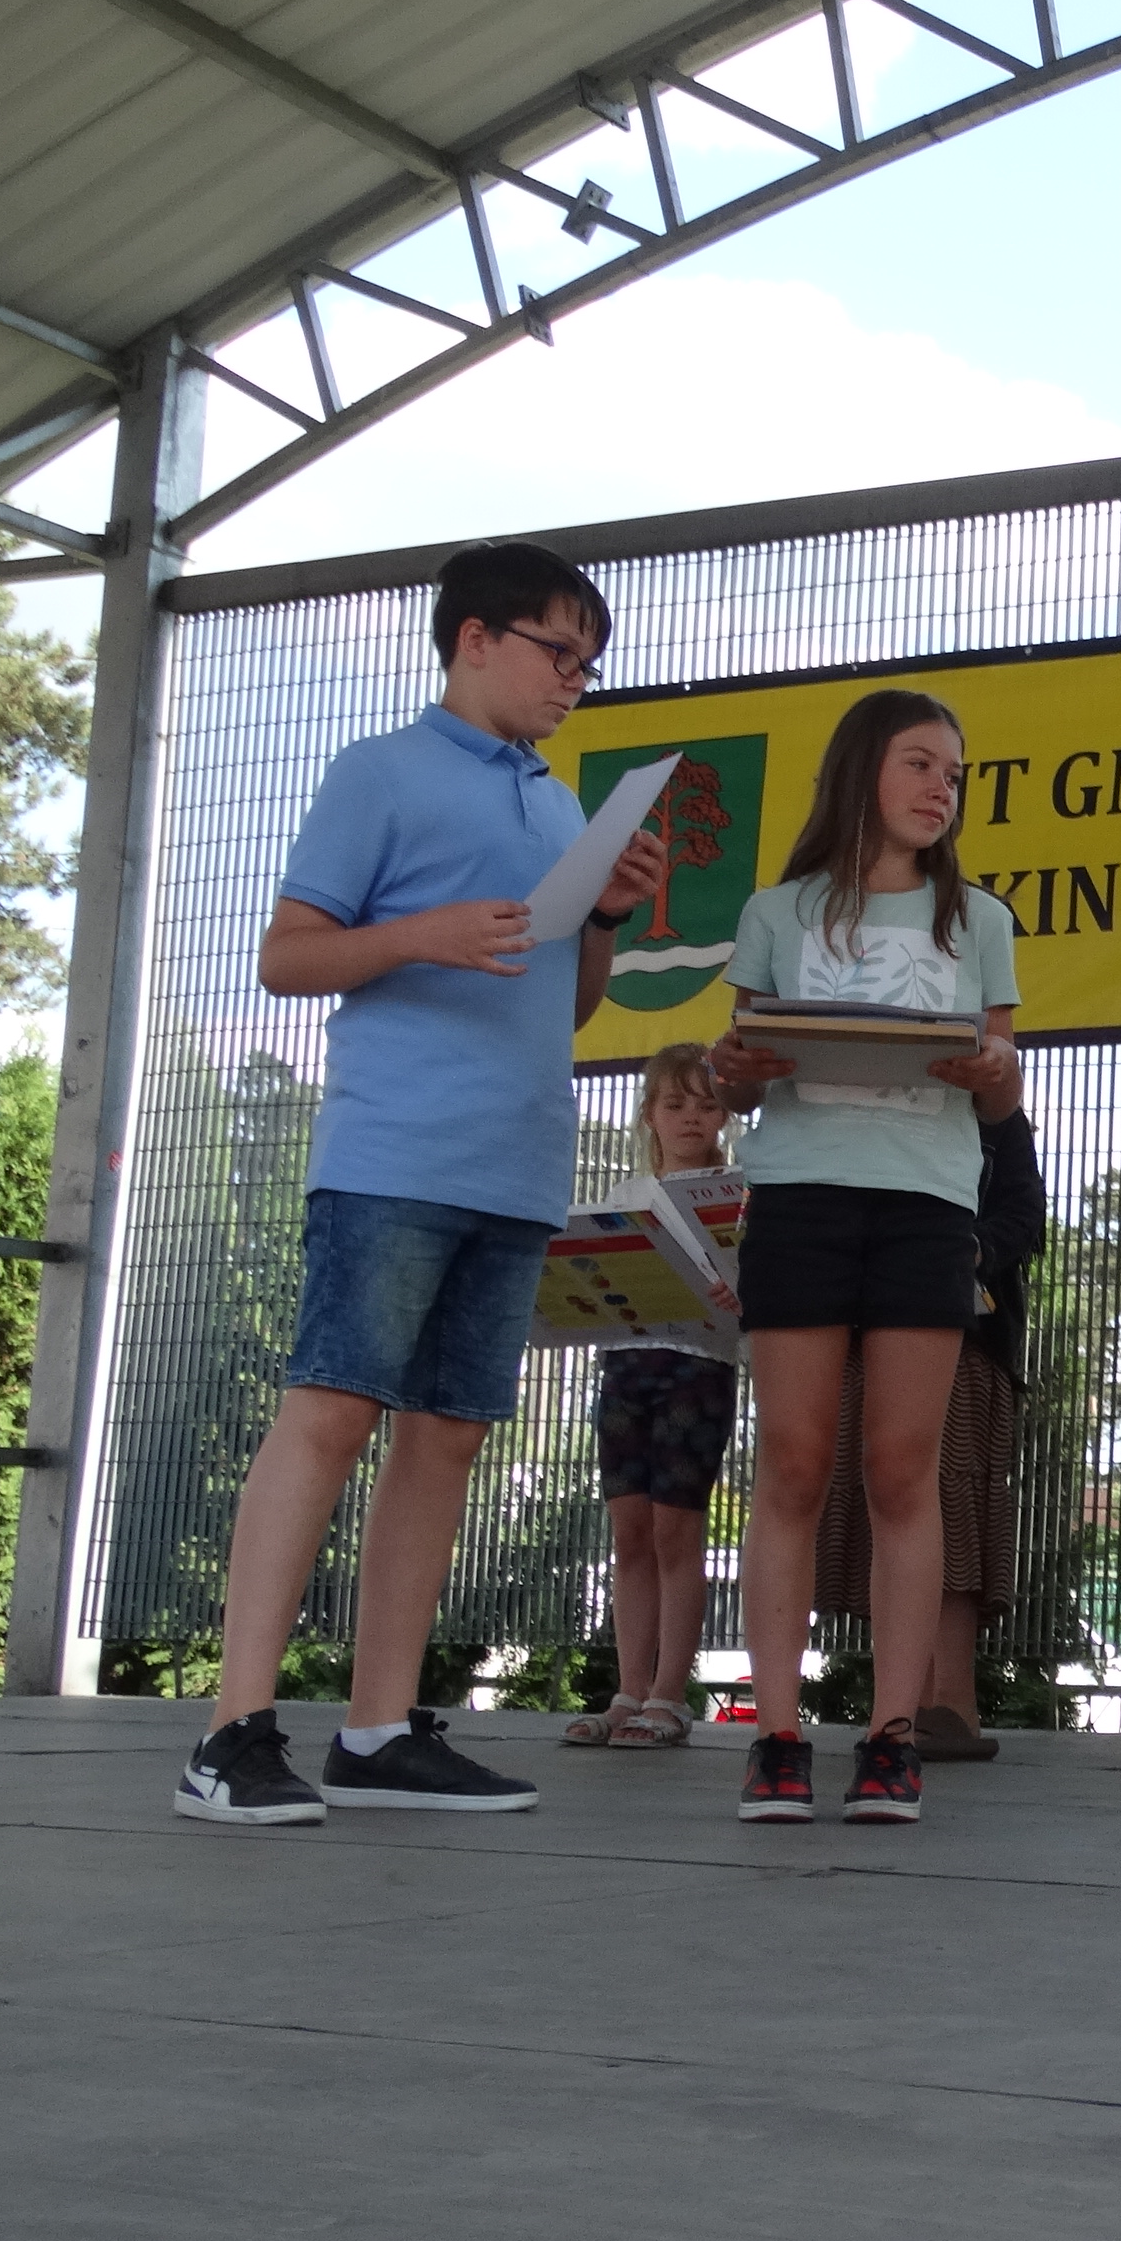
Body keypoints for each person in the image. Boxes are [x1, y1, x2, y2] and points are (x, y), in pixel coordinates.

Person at [174, 540, 664, 1825]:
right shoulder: (377, 770)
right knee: (331, 1414)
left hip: (516, 1163)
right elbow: (287, 957)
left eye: (589, 664)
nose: (574, 680)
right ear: (474, 639)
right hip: (394, 1151)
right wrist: (421, 936)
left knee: (446, 1437)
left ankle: (379, 1730)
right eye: (559, 651)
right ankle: (229, 1732)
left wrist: (606, 918)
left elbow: (568, 1009)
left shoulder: (561, 807)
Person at [710, 690, 1022, 1825]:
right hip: (798, 1198)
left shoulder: (978, 919)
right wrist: (734, 1069)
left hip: (928, 1206)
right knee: (793, 1465)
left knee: (902, 1471)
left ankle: (893, 1736)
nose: (943, 788)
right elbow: (740, 1069)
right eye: (921, 763)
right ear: (860, 770)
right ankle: (777, 1734)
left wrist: (992, 1072)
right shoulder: (776, 909)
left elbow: (1003, 1085)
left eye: (956, 773)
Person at [807, 1060, 1044, 1762]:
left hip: (967, 1333)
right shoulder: (861, 1109)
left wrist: (968, 1250)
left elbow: (1024, 1216)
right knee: (883, 1499)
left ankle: (953, 1702)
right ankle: (899, 1703)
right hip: (864, 1329)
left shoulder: (996, 1119)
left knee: (948, 1501)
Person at [562, 1042, 740, 1751]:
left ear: (726, 1116)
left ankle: (669, 1694)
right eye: (675, 1104)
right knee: (629, 1531)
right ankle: (628, 1691)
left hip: (699, 1368)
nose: (691, 1117)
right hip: (624, 1366)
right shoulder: (622, 1198)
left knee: (676, 1530)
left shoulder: (738, 1195)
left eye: (707, 1104)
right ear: (649, 1115)